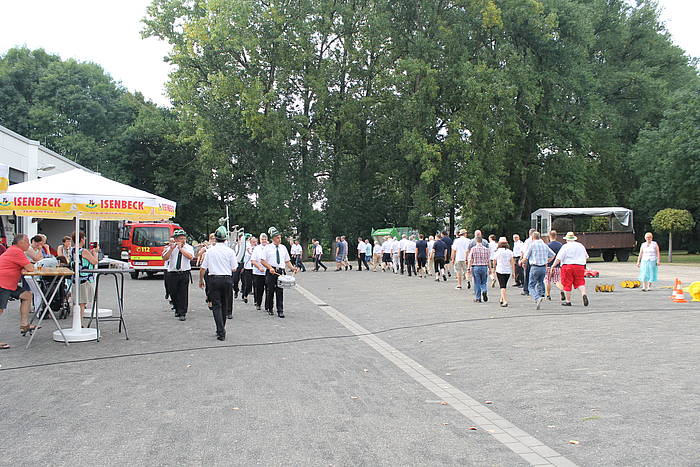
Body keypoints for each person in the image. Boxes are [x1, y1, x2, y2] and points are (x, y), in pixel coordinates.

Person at [198, 226, 237, 341]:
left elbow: (203, 268)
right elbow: (234, 268)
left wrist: (201, 280)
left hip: (214, 279)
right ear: (225, 239)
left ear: (215, 238)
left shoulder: (210, 251)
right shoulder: (230, 251)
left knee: (216, 305)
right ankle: (221, 328)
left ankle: (220, 330)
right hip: (227, 279)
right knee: (224, 305)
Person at [0, 234, 36, 347]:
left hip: (10, 283)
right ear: (20, 243)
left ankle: (24, 324)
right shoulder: (16, 251)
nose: (29, 244)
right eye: (27, 242)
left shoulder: (13, 250)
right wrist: (26, 266)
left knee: (27, 295)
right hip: (3, 283)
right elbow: (30, 268)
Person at [260, 227, 298, 317]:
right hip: (271, 271)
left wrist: (293, 268)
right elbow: (262, 261)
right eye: (277, 238)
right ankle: (270, 308)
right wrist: (270, 268)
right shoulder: (267, 248)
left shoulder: (283, 248)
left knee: (280, 291)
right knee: (270, 290)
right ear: (273, 238)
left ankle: (280, 310)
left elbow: (287, 261)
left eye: (280, 237)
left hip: (280, 271)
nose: (279, 239)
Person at [66, 231, 100, 320]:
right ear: (81, 239)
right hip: (84, 278)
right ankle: (79, 323)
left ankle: (77, 321)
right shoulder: (83, 251)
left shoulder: (72, 250)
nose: (85, 240)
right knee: (82, 302)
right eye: (84, 238)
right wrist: (95, 252)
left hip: (76, 278)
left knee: (77, 301)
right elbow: (95, 262)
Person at [162, 229, 194, 321]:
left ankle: (182, 312)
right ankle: (176, 308)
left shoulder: (188, 247)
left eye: (184, 238)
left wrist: (181, 249)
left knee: (183, 293)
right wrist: (171, 249)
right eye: (180, 238)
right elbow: (164, 258)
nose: (183, 240)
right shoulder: (170, 247)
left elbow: (190, 257)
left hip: (184, 273)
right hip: (172, 273)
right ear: (175, 239)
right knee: (173, 292)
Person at [551, 232, 589, 307]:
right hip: (579, 266)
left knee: (567, 283)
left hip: (567, 266)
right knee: (580, 282)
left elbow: (559, 258)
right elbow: (586, 257)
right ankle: (583, 294)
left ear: (567, 239)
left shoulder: (565, 246)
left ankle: (568, 301)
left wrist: (553, 266)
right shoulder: (580, 245)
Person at [520, 231, 556, 310]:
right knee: (540, 282)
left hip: (535, 267)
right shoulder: (545, 245)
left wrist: (521, 261)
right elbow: (553, 254)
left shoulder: (532, 245)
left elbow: (526, 257)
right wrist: (547, 261)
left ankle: (537, 297)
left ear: (532, 237)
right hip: (543, 267)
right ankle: (541, 295)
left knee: (531, 286)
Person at [492, 237, 515, 307]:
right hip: (507, 270)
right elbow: (512, 262)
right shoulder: (510, 252)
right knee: (504, 285)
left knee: (502, 286)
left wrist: (493, 269)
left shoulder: (497, 252)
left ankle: (505, 301)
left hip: (500, 270)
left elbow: (494, 262)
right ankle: (501, 298)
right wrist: (513, 272)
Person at [467, 238, 492, 303]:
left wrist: (468, 268)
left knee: (477, 282)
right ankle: (484, 290)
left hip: (476, 267)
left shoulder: (473, 249)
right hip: (484, 267)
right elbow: (488, 260)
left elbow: (470, 259)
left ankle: (478, 298)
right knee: (484, 282)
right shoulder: (486, 249)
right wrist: (490, 269)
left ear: (476, 241)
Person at [250, 233, 269, 309]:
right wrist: (259, 267)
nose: (264, 241)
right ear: (260, 240)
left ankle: (268, 306)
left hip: (268, 272)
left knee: (268, 290)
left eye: (265, 239)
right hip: (258, 272)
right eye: (262, 239)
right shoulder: (257, 248)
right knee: (259, 289)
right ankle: (258, 303)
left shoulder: (270, 248)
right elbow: (253, 260)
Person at [545, 230, 564, 301]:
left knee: (547, 280)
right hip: (557, 266)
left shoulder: (547, 245)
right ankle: (562, 290)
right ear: (556, 236)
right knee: (557, 280)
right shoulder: (560, 245)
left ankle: (548, 295)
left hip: (549, 266)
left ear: (549, 236)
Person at [241, 236, 257, 303]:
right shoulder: (247, 248)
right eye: (253, 242)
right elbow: (250, 255)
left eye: (255, 242)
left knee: (256, 284)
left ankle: (256, 300)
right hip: (248, 268)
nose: (254, 243)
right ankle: (245, 295)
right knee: (248, 283)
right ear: (250, 242)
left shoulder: (258, 248)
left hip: (256, 268)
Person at [521, 229, 536, 296]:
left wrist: (523, 260)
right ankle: (533, 289)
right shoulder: (539, 241)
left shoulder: (527, 241)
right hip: (535, 260)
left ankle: (526, 290)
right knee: (535, 275)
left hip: (528, 259)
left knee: (527, 274)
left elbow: (524, 251)